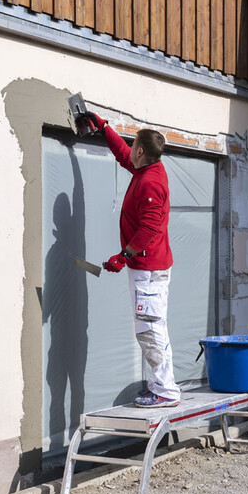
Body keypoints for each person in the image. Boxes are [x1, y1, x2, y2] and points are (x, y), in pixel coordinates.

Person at [81, 113, 181, 408]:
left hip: (148, 268)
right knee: (152, 327)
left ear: (142, 151)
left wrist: (124, 256)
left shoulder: (150, 182)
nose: (129, 151)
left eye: (133, 145)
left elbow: (150, 227)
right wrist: (103, 128)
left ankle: (165, 390)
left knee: (149, 329)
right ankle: (162, 384)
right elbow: (124, 155)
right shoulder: (146, 167)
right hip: (148, 266)